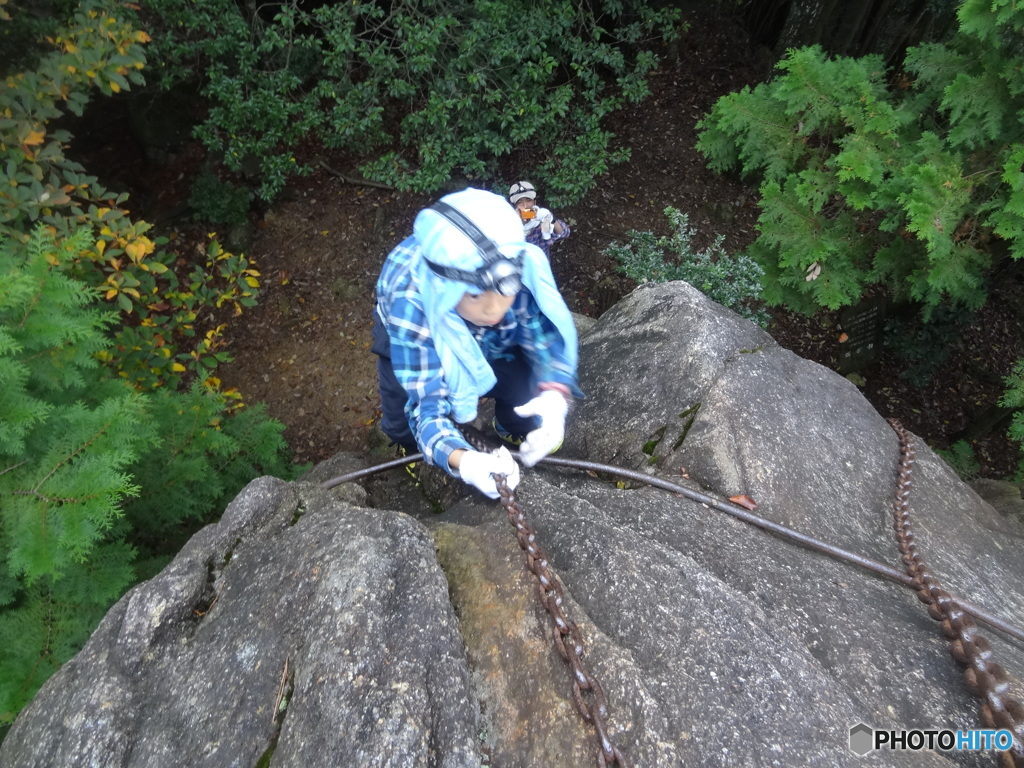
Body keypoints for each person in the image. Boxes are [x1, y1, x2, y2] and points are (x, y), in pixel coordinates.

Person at [372, 188, 583, 499]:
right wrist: (465, 461)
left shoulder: (516, 266)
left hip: (478, 324)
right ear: (446, 288)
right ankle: (409, 451)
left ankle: (510, 424)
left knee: (521, 385)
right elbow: (427, 407)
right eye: (473, 293)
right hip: (419, 326)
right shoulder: (413, 306)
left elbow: (543, 339)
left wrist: (553, 400)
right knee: (402, 417)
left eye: (505, 289)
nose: (494, 309)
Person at [508, 181, 570, 258]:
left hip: (541, 261)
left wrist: (551, 218)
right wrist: (515, 223)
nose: (525, 205)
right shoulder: (508, 221)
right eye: (519, 202)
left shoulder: (541, 216)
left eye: (528, 200)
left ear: (534, 202)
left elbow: (565, 233)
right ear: (514, 206)